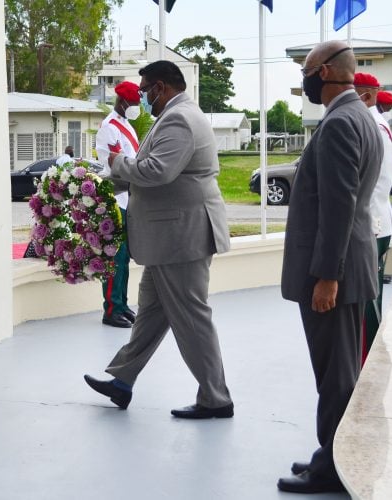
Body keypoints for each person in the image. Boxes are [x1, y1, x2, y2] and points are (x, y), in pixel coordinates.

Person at [83, 60, 233, 419]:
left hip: (181, 237)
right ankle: (122, 381)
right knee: (150, 313)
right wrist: (98, 182)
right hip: (172, 238)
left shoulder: (180, 119)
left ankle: (216, 398)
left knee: (192, 318)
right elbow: (154, 170)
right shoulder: (176, 116)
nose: (142, 97)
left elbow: (157, 171)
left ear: (162, 87)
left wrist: (117, 163)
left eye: (145, 90)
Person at [278, 41, 382, 494]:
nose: (304, 77)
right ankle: (334, 454)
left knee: (336, 377)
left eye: (306, 69)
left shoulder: (341, 122)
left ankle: (335, 470)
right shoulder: (358, 115)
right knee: (340, 373)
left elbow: (339, 208)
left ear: (323, 72)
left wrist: (327, 276)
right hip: (347, 264)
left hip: (333, 272)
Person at [354, 72, 392, 361]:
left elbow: (371, 180)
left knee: (367, 303)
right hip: (376, 222)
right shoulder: (375, 123)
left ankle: (367, 364)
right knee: (369, 298)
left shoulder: (372, 125)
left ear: (366, 95)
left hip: (371, 224)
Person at [95, 81, 142, 328]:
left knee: (123, 257)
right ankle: (111, 310)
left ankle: (122, 305)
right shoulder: (109, 127)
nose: (137, 107)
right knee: (115, 256)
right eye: (134, 103)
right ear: (123, 102)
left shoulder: (128, 127)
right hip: (114, 197)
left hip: (128, 196)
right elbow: (114, 162)